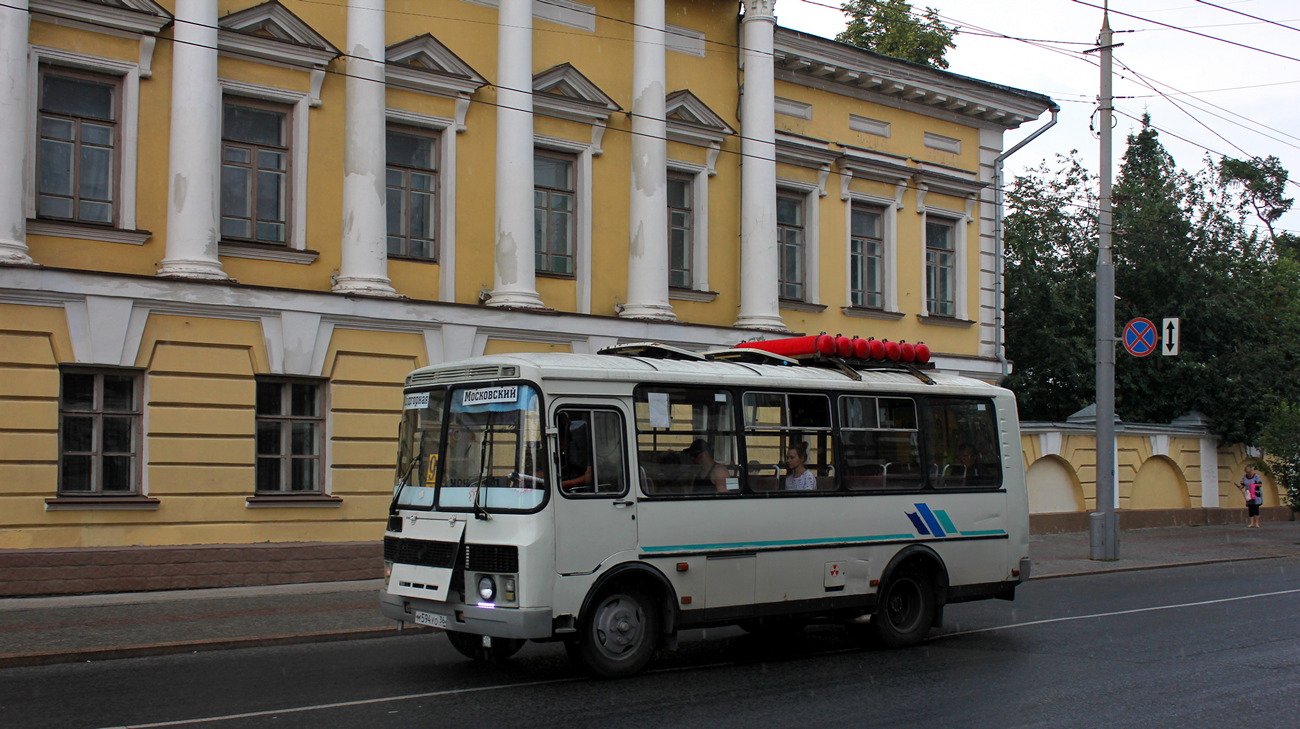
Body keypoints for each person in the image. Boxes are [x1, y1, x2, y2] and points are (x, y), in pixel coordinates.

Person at [1239, 464, 1264, 528]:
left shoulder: (1256, 476)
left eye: (1249, 472)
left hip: (1256, 494)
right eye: (1247, 472)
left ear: (1251, 471)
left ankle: (1257, 523)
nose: (1248, 474)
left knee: (1256, 508)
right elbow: (1243, 484)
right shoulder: (1244, 477)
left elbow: (1260, 484)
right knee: (1250, 509)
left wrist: (1253, 485)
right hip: (1249, 495)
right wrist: (1241, 487)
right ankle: (1252, 523)